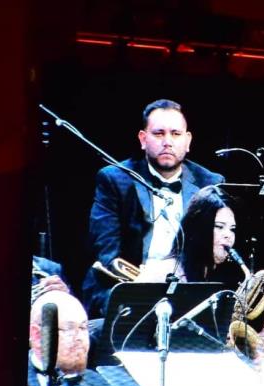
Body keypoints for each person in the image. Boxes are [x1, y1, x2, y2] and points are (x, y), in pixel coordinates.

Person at [82, 99, 225, 317]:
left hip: (188, 289)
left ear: (188, 141)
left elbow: (215, 250)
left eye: (176, 134)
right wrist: (148, 279)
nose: (167, 141)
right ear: (143, 139)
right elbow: (107, 252)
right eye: (159, 133)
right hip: (128, 287)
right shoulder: (114, 179)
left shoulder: (209, 182)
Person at [28, 290, 113, 386]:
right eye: (69, 328)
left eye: (83, 327)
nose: (80, 338)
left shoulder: (99, 383)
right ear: (38, 336)